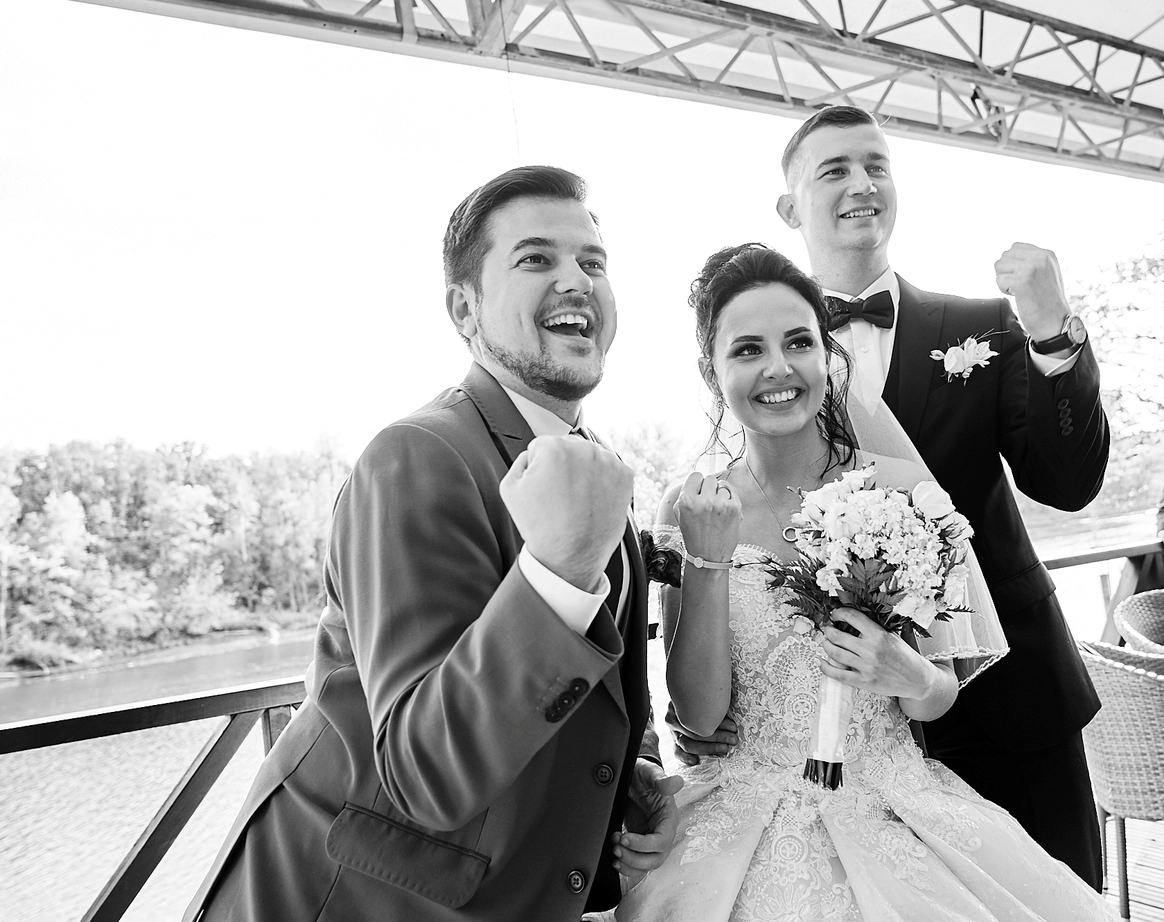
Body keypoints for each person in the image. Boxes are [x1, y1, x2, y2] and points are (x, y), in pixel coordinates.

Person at [183, 165, 681, 922]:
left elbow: (599, 684)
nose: (577, 281)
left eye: (593, 262)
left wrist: (627, 774)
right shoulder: (418, 455)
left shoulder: (594, 466)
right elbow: (424, 770)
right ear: (464, 309)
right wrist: (559, 568)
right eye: (536, 259)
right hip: (358, 901)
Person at [613, 243, 1114, 920]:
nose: (778, 368)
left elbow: (937, 695)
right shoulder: (689, 504)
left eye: (798, 342)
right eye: (748, 350)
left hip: (891, 799)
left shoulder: (901, 488)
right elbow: (699, 717)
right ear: (713, 370)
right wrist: (706, 560)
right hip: (739, 813)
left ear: (827, 355)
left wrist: (907, 673)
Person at [764, 104, 1109, 888]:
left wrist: (1052, 334)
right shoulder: (770, 363)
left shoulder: (982, 326)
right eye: (835, 170)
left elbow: (1068, 482)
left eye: (876, 166)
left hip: (1012, 699)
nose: (862, 183)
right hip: (861, 729)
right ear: (790, 209)